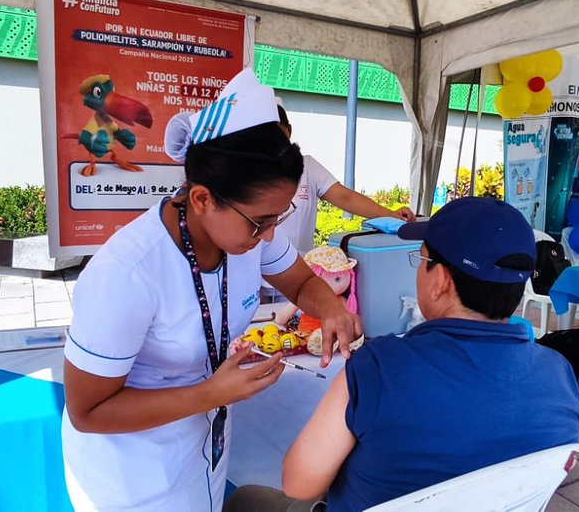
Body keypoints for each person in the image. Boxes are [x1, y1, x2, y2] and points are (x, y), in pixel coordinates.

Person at [61, 69, 361, 512]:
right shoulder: (127, 273)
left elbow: (300, 281)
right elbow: (88, 411)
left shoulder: (247, 234)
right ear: (202, 199)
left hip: (204, 446)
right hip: (133, 476)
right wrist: (210, 395)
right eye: (260, 222)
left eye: (278, 218)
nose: (269, 236)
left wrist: (331, 308)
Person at [225, 197, 579, 512]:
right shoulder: (559, 374)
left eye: (421, 258)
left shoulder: (378, 368)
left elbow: (299, 484)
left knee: (247, 499)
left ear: (440, 280)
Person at [273, 103, 415, 256]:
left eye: (276, 133)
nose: (272, 141)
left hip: (298, 262)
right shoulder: (252, 172)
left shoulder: (307, 166)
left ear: (289, 130)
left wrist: (390, 214)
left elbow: (345, 197)